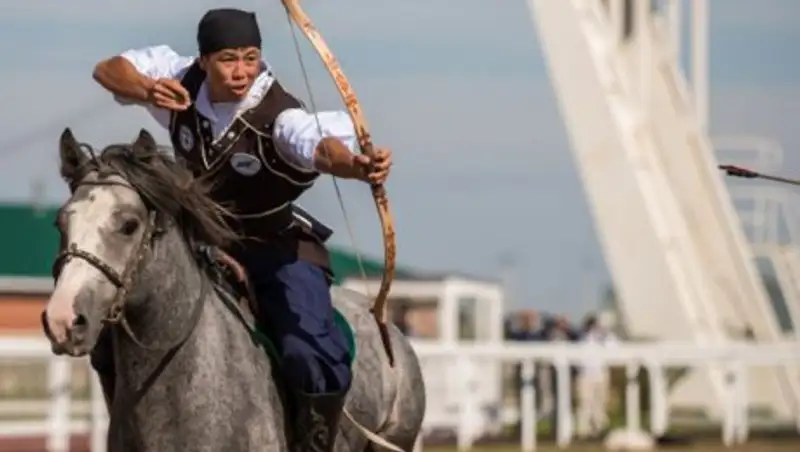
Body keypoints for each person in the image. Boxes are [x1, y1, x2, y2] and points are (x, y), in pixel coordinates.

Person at [91, 8, 392, 451]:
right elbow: (107, 70)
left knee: (308, 353)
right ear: (203, 60)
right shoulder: (179, 79)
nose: (241, 72)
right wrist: (146, 89)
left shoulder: (279, 116)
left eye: (251, 58)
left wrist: (358, 166)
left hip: (274, 246)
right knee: (108, 335)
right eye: (229, 59)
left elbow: (320, 149)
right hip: (197, 242)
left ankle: (314, 441)